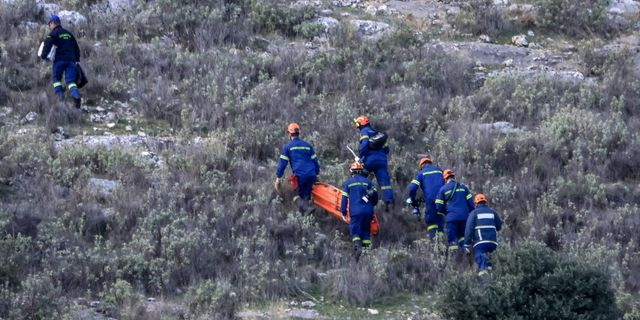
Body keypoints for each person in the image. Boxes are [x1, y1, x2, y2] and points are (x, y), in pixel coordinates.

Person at [275, 123, 320, 214]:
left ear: (289, 134)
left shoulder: (288, 147)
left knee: (294, 195)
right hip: (312, 175)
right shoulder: (308, 145)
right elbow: (315, 162)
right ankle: (307, 216)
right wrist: (317, 174)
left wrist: (278, 179)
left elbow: (282, 165)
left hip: (300, 176)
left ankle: (306, 212)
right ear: (299, 132)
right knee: (305, 196)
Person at [40, 15, 83, 110]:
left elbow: (47, 44)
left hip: (59, 61)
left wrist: (43, 56)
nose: (49, 26)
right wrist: (77, 60)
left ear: (53, 23)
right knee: (71, 82)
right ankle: (77, 101)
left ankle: (61, 101)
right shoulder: (69, 34)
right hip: (71, 61)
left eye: (49, 24)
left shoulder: (53, 34)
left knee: (56, 81)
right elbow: (76, 48)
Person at [353, 115, 394, 210]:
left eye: (357, 124)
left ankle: (357, 199)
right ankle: (389, 203)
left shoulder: (364, 131)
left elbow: (364, 145)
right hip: (382, 161)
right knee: (385, 184)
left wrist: (359, 157)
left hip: (370, 161)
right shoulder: (377, 133)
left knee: (359, 178)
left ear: (361, 124)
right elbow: (387, 149)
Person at [340, 162, 379, 261]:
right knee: (366, 232)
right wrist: (371, 206)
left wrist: (343, 212)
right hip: (368, 212)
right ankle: (367, 255)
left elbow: (344, 199)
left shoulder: (348, 183)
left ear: (351, 172)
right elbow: (375, 197)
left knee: (355, 231)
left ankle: (358, 249)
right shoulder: (368, 182)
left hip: (356, 212)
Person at [435, 169, 474, 254]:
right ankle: (465, 250)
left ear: (445, 179)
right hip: (464, 217)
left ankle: (454, 258)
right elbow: (471, 205)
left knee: (452, 240)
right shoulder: (464, 188)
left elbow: (438, 207)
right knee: (462, 236)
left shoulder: (443, 189)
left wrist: (446, 213)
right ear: (454, 177)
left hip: (451, 218)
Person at [464, 194, 502, 276]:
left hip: (480, 244)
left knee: (483, 268)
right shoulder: (493, 212)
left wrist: (466, 244)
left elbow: (469, 230)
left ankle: (484, 285)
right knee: (490, 265)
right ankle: (493, 283)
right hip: (493, 243)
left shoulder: (474, 213)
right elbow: (499, 226)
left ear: (476, 204)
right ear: (485, 202)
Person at [406, 157, 444, 238]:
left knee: (431, 222)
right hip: (442, 200)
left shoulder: (421, 173)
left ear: (422, 165)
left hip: (431, 201)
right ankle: (442, 243)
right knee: (440, 221)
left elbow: (412, 188)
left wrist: (412, 199)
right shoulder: (440, 170)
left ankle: (435, 244)